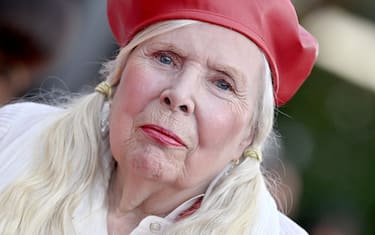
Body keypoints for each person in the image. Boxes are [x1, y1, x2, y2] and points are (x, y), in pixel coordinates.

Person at [0, 0, 318, 234]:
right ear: (118, 74)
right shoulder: (16, 136)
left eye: (222, 83)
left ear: (249, 135)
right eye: (165, 58)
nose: (179, 94)